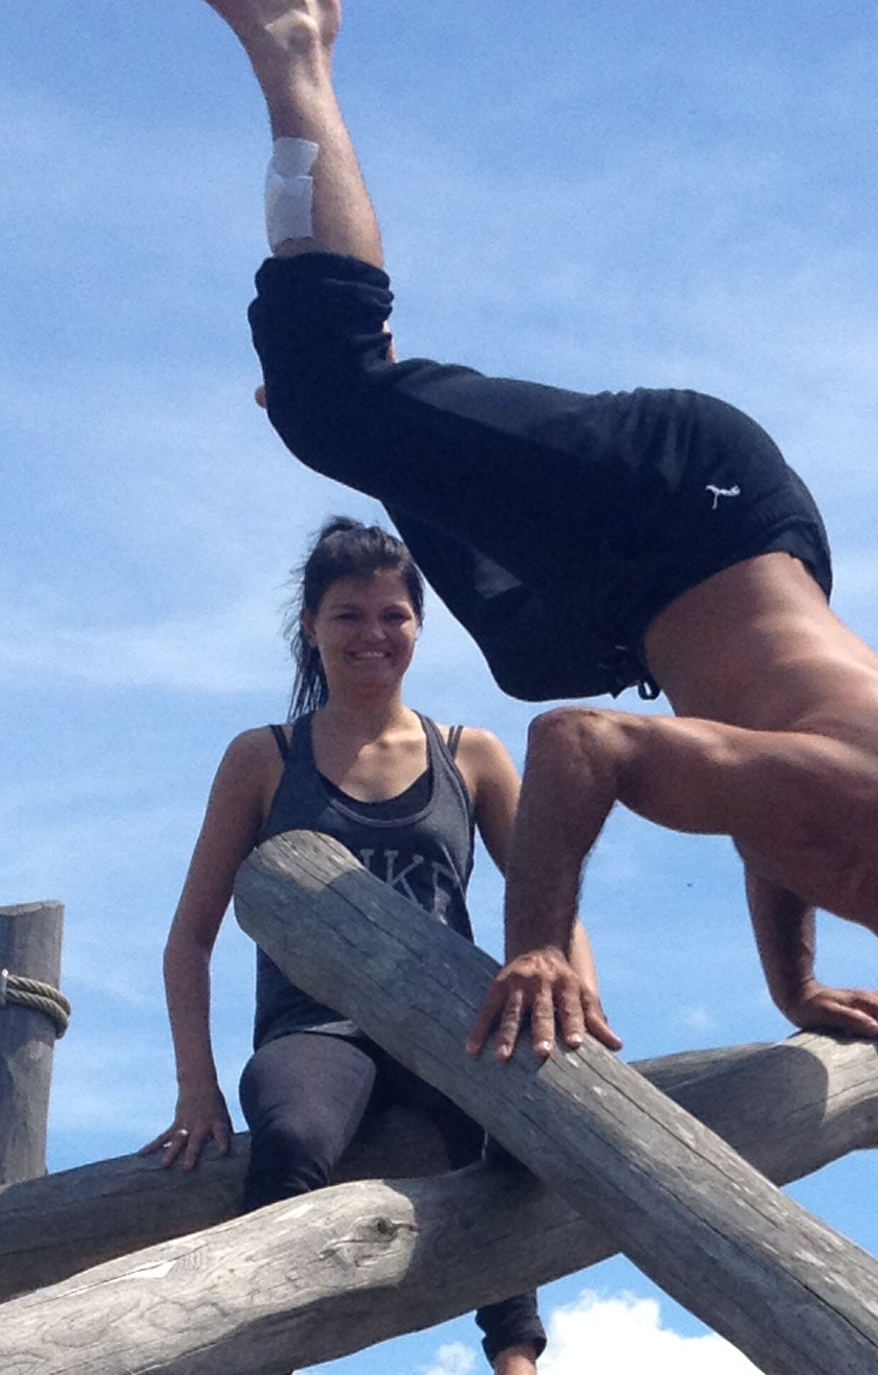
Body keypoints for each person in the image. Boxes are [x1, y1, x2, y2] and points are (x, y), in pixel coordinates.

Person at [118, 0, 878, 1108]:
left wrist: (792, 988)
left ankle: (386, 425)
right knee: (325, 400)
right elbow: (585, 747)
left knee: (520, 650)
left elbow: (773, 826)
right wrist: (541, 942)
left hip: (655, 596)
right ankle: (291, 41)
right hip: (684, 509)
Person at [142, 519, 581, 1375]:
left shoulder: (473, 755)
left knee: (516, 1130)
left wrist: (568, 1021)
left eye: (393, 615)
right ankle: (256, 1358)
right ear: (310, 626)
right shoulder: (264, 758)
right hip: (315, 1028)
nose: (372, 635)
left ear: (420, 625)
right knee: (296, 1136)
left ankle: (517, 1359)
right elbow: (190, 935)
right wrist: (196, 1085)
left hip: (449, 1021)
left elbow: (552, 909)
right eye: (347, 615)